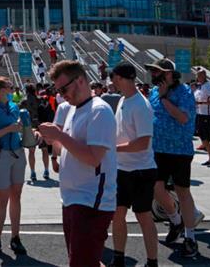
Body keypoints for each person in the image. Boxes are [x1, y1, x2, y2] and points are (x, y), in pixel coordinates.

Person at [38, 60, 117, 267]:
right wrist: (52, 139)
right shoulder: (74, 109)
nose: (62, 94)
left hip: (91, 201)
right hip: (74, 198)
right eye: (58, 90)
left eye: (64, 88)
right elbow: (66, 149)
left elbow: (93, 158)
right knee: (84, 260)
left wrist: (59, 136)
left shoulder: (99, 110)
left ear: (80, 80)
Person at [146, 58, 199, 258]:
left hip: (180, 150)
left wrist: (164, 98)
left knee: (182, 190)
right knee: (155, 187)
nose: (153, 75)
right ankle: (176, 220)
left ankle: (190, 236)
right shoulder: (152, 93)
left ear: (168, 73)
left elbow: (183, 117)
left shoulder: (184, 92)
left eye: (156, 71)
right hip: (158, 148)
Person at [109, 62, 159, 267]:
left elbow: (142, 142)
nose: (112, 84)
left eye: (114, 80)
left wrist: (114, 149)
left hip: (141, 170)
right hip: (122, 169)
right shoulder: (123, 100)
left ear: (121, 78)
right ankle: (118, 257)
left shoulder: (141, 104)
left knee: (143, 215)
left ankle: (152, 261)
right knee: (117, 214)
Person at [0, 76, 27, 257]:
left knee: (16, 195)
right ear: (1, 89)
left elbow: (21, 129)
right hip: (1, 155)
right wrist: (9, 129)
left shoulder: (14, 107)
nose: (12, 89)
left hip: (17, 152)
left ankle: (15, 237)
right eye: (9, 86)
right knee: (2, 198)